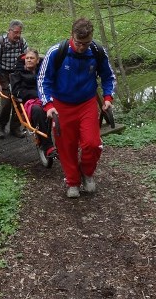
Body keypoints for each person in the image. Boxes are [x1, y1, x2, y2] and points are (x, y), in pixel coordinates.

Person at [37, 18, 116, 198]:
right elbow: (43, 80)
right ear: (71, 36)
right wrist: (48, 105)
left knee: (93, 143)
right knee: (66, 146)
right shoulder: (57, 52)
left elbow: (108, 76)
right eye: (79, 43)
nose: (82, 47)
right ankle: (72, 181)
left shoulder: (96, 51)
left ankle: (87, 173)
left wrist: (108, 97)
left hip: (86, 103)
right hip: (61, 106)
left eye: (86, 43)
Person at [10, 49, 57, 158]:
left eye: (32, 58)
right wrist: (35, 94)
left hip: (46, 98)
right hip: (30, 101)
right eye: (27, 58)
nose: (29, 60)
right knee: (37, 110)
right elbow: (17, 91)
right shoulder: (18, 73)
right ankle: (48, 146)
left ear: (37, 61)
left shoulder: (43, 71)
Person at [0, 20, 28, 138]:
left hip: (17, 74)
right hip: (3, 75)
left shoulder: (22, 42)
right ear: (9, 31)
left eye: (20, 33)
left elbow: (26, 59)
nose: (18, 35)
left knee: (19, 101)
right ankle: (1, 127)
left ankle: (15, 128)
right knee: (6, 102)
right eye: (16, 32)